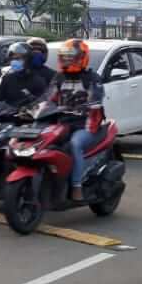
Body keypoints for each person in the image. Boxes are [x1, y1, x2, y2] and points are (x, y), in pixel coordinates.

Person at [52, 38, 105, 202]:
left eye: (71, 56)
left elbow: (96, 98)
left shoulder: (91, 78)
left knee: (75, 144)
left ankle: (77, 186)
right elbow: (47, 97)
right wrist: (32, 109)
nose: (68, 60)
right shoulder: (59, 77)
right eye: (65, 57)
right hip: (63, 123)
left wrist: (88, 105)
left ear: (82, 57)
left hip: (87, 124)